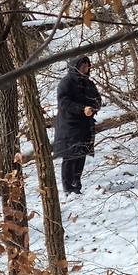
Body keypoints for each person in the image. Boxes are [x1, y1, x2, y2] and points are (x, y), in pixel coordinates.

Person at [53, 56, 101, 196]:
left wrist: (94, 108)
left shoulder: (88, 83)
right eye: (82, 66)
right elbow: (64, 102)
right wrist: (82, 109)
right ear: (75, 67)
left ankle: (76, 183)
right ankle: (68, 187)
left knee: (81, 154)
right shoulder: (66, 83)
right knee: (70, 156)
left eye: (87, 67)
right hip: (69, 126)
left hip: (85, 125)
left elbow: (97, 99)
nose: (85, 69)